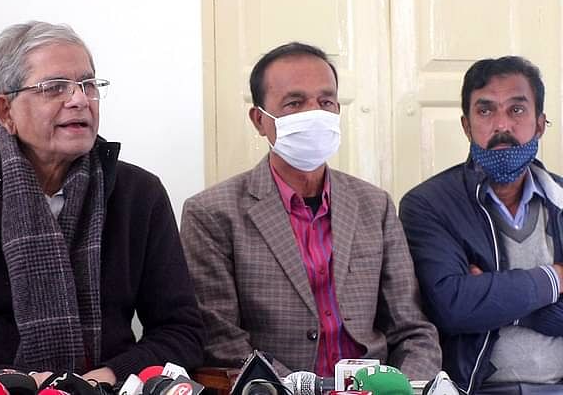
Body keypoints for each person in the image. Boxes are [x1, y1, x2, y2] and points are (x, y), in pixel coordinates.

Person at [0, 21, 204, 395]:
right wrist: (22, 384)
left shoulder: (138, 194)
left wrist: (108, 376)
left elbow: (183, 332)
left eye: (88, 84)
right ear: (6, 111)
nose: (80, 99)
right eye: (54, 88)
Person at [180, 42, 441, 380]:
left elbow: (413, 329)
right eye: (294, 102)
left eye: (326, 101)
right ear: (260, 120)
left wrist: (404, 386)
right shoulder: (212, 213)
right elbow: (223, 341)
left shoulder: (374, 205)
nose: (314, 113)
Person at [399, 56, 563, 394]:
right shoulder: (428, 204)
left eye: (517, 110)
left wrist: (498, 300)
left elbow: (472, 303)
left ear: (541, 123)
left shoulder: (560, 198)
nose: (502, 125)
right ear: (466, 125)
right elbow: (452, 307)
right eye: (485, 111)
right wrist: (555, 278)